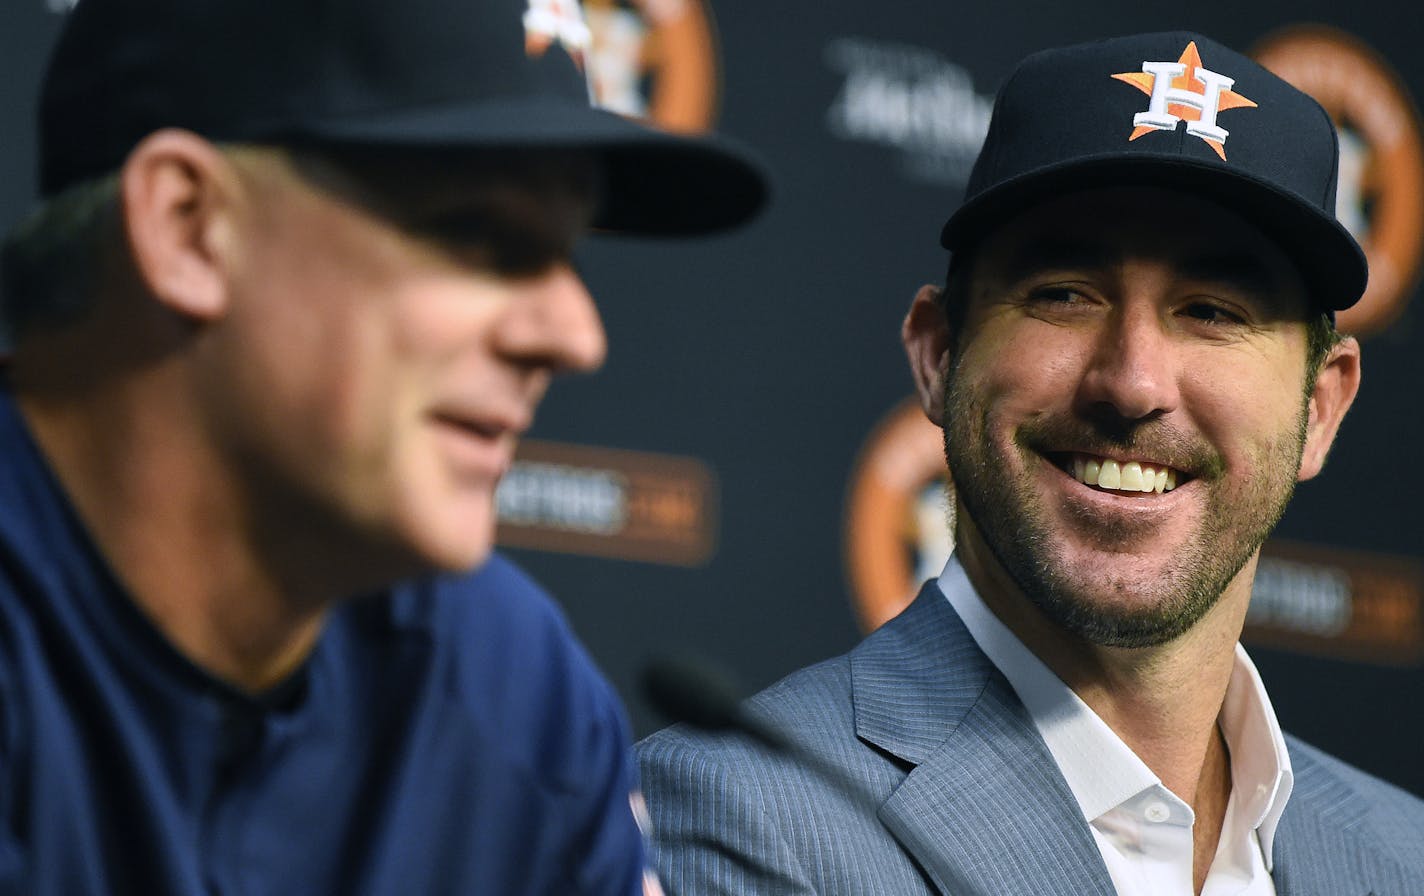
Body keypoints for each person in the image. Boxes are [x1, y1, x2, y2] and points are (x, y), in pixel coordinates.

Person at [0, 0, 764, 893]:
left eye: (568, 255)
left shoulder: (517, 689)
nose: (574, 336)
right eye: (474, 231)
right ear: (186, 226)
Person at [637, 31, 1424, 896]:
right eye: (1064, 294)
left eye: (1213, 310)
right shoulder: (738, 812)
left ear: (1320, 409)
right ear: (939, 355)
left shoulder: (1404, 853)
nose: (1131, 382)